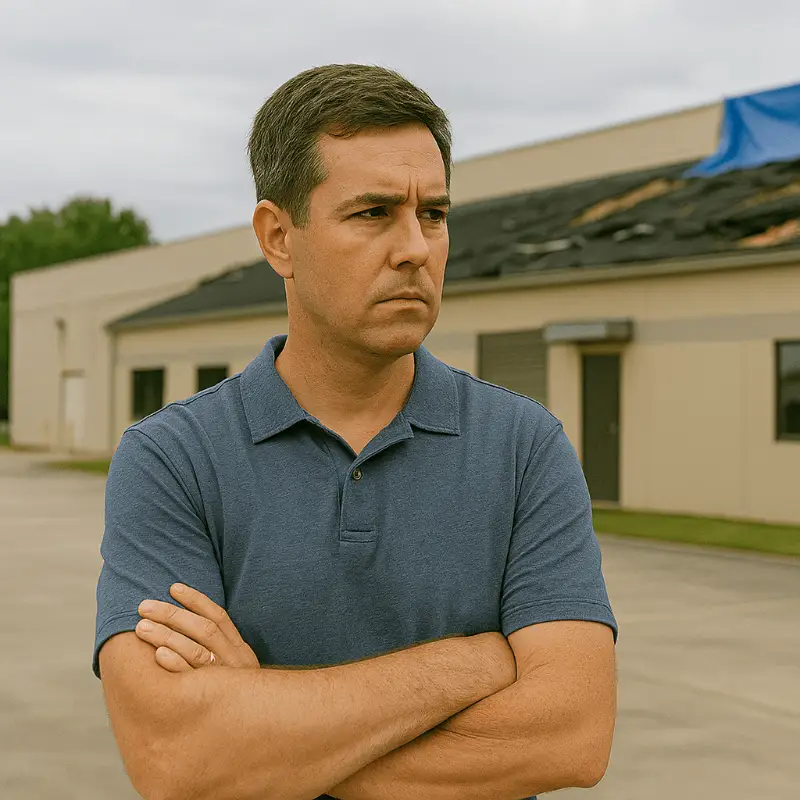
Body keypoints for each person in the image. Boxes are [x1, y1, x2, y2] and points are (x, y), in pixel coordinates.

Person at [93, 64, 618, 800]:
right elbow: (176, 758)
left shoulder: (525, 447)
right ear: (279, 238)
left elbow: (571, 736)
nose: (415, 248)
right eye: (373, 213)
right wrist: (470, 664)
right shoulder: (171, 459)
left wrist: (270, 742)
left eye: (432, 214)